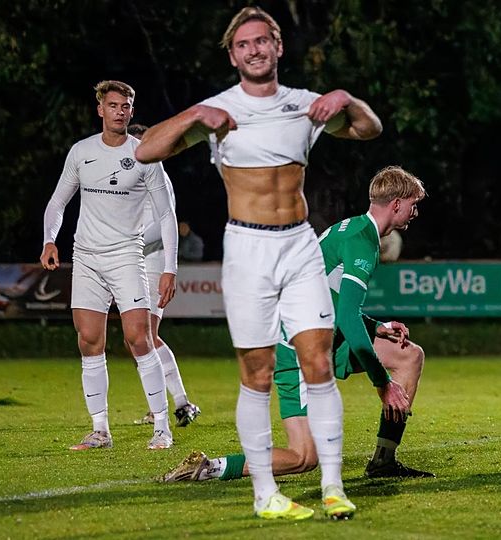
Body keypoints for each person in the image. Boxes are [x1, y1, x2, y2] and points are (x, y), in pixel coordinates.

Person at [135, 6, 382, 521]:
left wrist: (348, 100)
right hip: (247, 249)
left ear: (277, 46)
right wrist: (194, 117)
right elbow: (146, 151)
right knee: (257, 372)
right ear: (233, 54)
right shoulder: (217, 110)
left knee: (318, 363)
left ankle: (334, 487)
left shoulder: (304, 105)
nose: (254, 49)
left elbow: (368, 129)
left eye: (262, 41)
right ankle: (266, 494)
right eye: (243, 44)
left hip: (299, 245)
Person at [162, 166, 433, 485]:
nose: (415, 213)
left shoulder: (353, 230)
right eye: (414, 204)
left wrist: (376, 327)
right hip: (296, 350)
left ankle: (384, 460)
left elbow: (329, 302)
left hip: (318, 336)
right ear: (397, 203)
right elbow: (346, 315)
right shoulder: (362, 241)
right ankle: (209, 467)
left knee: (409, 356)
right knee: (304, 457)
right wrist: (383, 383)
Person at [40, 81, 177, 451]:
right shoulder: (81, 152)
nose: (120, 111)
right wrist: (49, 239)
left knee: (139, 337)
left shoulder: (145, 155)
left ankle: (162, 427)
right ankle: (100, 430)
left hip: (126, 257)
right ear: (100, 109)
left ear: (132, 110)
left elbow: (167, 215)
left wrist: (170, 268)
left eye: (126, 105)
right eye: (113, 105)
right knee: (88, 341)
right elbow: (57, 203)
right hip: (85, 256)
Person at [127, 124, 201, 427]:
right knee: (135, 338)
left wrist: (131, 241)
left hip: (152, 259)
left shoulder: (156, 175)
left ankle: (182, 403)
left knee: (146, 335)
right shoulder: (125, 176)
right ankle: (158, 403)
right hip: (129, 262)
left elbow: (163, 221)